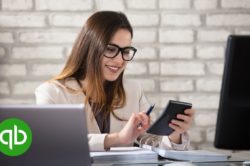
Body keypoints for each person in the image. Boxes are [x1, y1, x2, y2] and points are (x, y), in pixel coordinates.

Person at [35, 11, 195, 151]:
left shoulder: (133, 90)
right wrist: (118, 138)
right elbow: (53, 143)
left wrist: (174, 134)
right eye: (111, 49)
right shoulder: (52, 93)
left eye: (126, 51)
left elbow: (150, 141)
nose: (120, 60)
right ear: (89, 49)